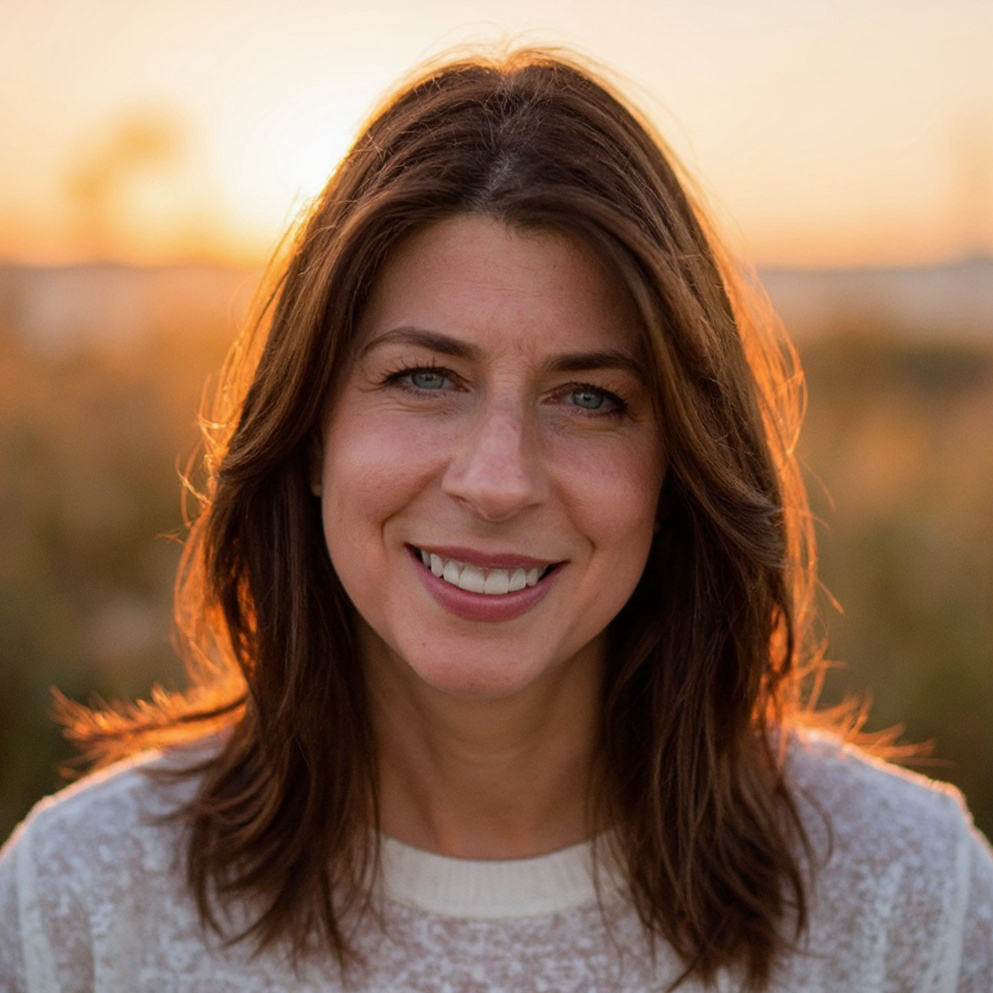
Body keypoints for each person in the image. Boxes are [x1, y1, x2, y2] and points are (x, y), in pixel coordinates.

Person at [1, 47, 991, 993]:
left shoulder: (906, 901)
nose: (498, 480)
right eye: (426, 378)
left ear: (680, 465)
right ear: (310, 433)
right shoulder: (82, 905)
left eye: (591, 397)